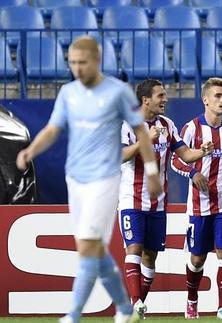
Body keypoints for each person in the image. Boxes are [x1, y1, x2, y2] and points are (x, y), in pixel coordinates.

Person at [15, 36, 162, 323]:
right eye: (72, 63)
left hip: (105, 179)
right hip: (76, 179)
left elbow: (142, 132)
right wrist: (30, 151)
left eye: (82, 62)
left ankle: (73, 314)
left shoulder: (118, 93)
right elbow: (53, 129)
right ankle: (123, 306)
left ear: (96, 61)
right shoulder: (69, 93)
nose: (77, 68)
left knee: (88, 246)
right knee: (93, 247)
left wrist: (153, 173)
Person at [118, 79, 213, 319]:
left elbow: (185, 154)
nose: (165, 99)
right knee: (135, 248)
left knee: (151, 256)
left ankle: (137, 308)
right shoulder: (127, 124)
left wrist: (202, 151)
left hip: (158, 203)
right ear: (145, 100)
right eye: (160, 96)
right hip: (132, 200)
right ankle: (136, 302)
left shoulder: (167, 125)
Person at [171, 77, 222, 320]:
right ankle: (192, 299)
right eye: (218, 97)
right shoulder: (192, 128)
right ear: (205, 100)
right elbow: (175, 159)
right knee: (197, 257)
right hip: (199, 206)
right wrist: (192, 172)